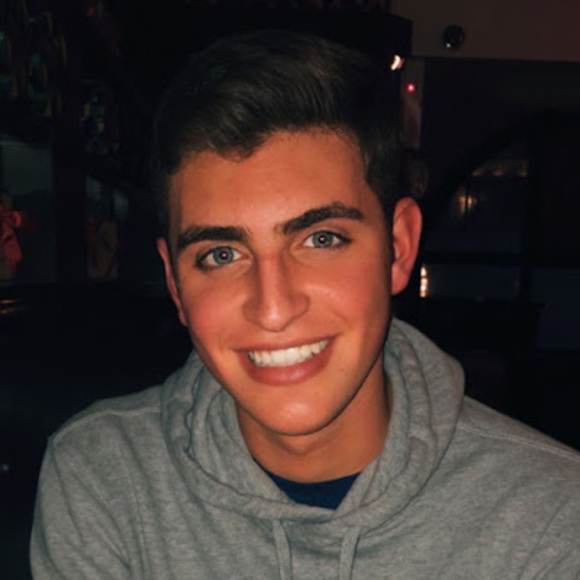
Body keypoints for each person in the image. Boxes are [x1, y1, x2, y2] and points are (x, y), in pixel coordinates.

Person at [31, 30, 580, 579]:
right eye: (222, 254)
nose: (273, 309)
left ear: (398, 249)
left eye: (321, 239)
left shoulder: (552, 517)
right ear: (176, 284)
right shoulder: (103, 478)